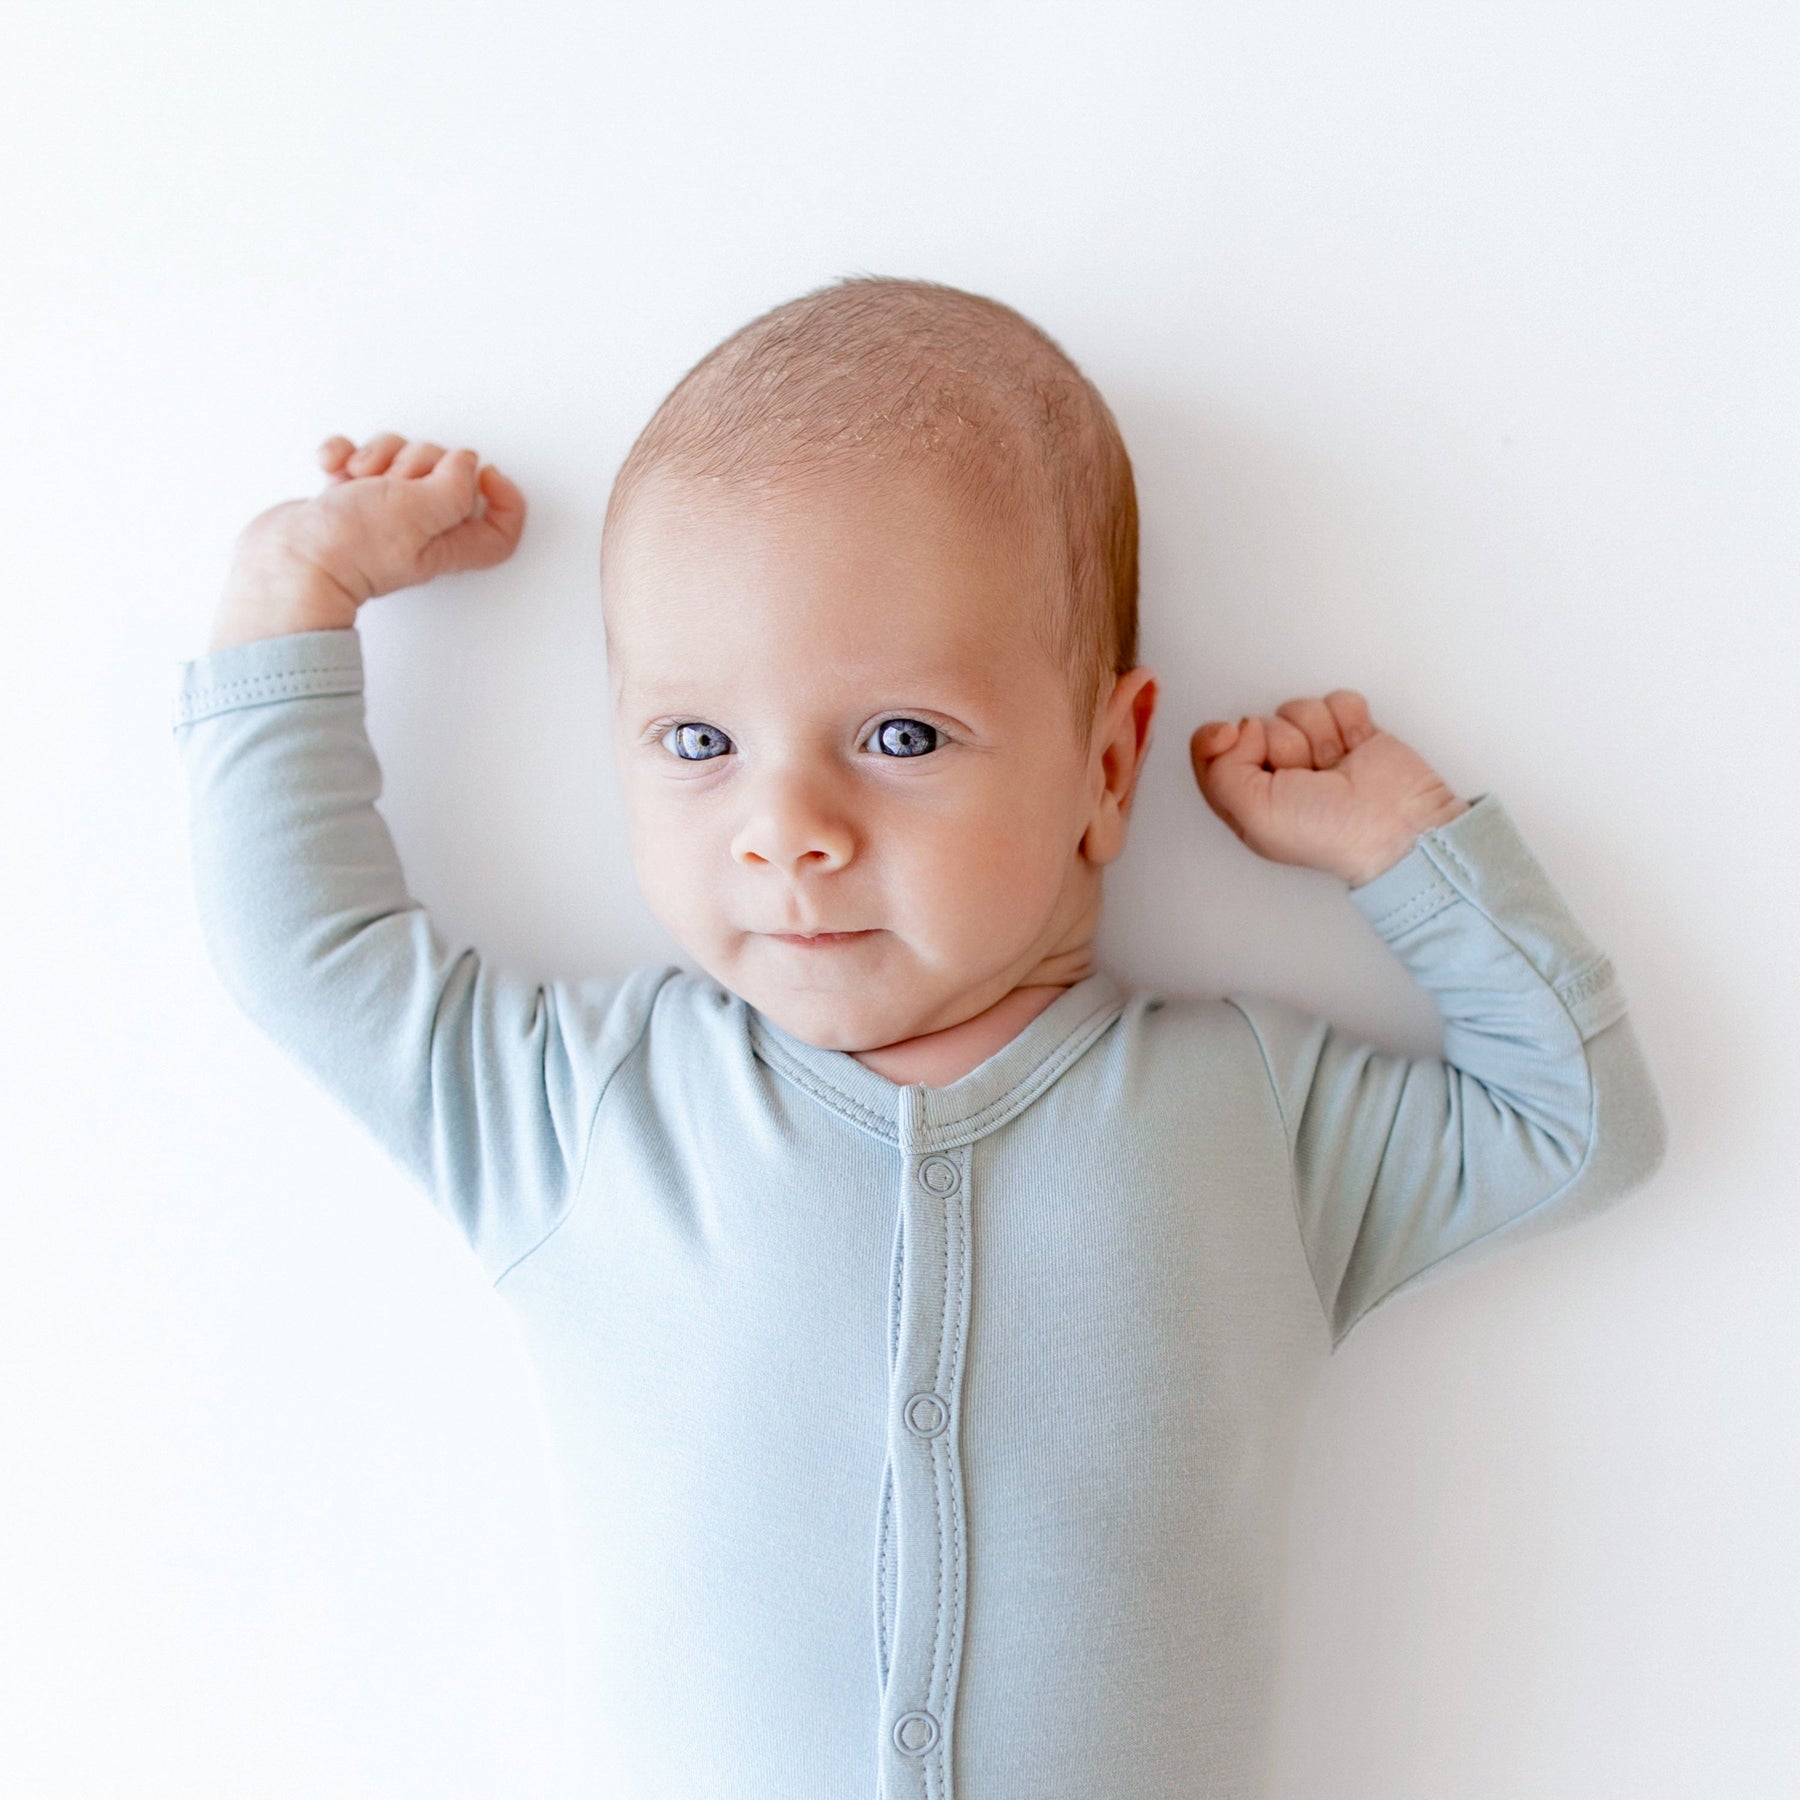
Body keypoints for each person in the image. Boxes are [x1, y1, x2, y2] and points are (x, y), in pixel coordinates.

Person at [171, 274, 1668, 1799]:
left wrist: (1402, 849)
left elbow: (1574, 1126)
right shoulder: (586, 1108)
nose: (790, 832)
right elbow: (313, 958)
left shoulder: (1253, 1118)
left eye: (901, 738)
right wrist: (288, 603)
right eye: (699, 743)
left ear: (1107, 766)